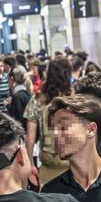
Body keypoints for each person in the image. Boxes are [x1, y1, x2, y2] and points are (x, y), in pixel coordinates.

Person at [24, 57, 74, 187]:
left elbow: (30, 137)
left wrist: (30, 165)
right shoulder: (76, 98)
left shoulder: (37, 100)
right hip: (75, 165)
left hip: (49, 166)